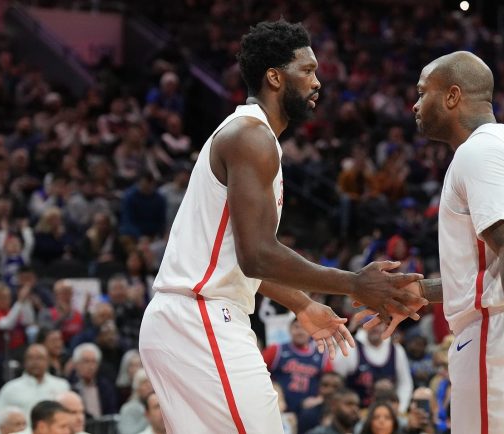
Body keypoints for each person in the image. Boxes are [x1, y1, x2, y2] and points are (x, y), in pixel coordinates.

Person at [138, 19, 424, 434]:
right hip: (200, 318)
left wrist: (302, 304)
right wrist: (353, 284)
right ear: (274, 77)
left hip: (184, 319)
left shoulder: (250, 135)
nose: (317, 82)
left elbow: (241, 255)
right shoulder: (250, 137)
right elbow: (257, 256)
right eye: (307, 70)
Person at [357, 51, 504, 433]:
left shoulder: (479, 152)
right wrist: (423, 291)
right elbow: (497, 267)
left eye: (422, 92)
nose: (414, 104)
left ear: (452, 96)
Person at [0, 344, 70, 434]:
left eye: (39, 358)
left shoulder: (61, 385)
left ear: (48, 360)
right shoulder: (11, 388)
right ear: (24, 361)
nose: (35, 362)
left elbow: (69, 417)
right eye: (31, 358)